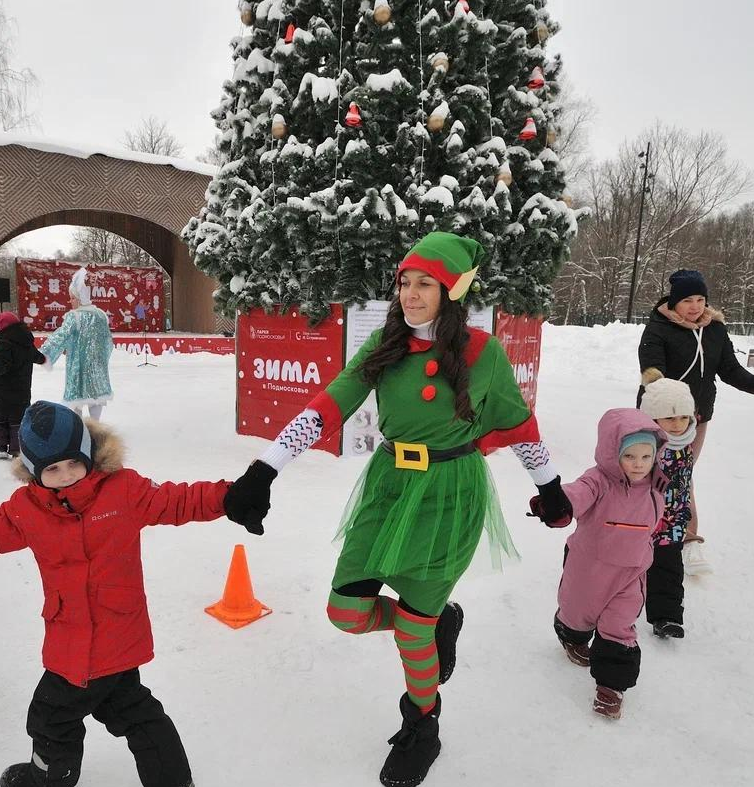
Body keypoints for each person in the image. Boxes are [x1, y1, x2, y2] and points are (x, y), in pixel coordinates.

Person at [223, 232, 572, 786]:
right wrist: (264, 470)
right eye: (404, 283)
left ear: (451, 290)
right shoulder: (387, 347)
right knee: (347, 612)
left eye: (424, 284)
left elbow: (519, 424)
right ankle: (438, 625)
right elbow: (329, 403)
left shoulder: (483, 353)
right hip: (388, 487)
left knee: (413, 629)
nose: (410, 294)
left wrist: (550, 488)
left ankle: (422, 725)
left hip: (449, 493)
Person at [0, 400, 235, 787]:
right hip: (85, 635)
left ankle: (50, 777)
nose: (66, 475)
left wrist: (230, 497)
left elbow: (180, 500)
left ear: (89, 453)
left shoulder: (123, 491)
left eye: (74, 462)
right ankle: (172, 779)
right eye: (52, 469)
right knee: (132, 710)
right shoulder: (28, 509)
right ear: (35, 472)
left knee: (51, 717)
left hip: (95, 641)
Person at [637, 269, 754, 573]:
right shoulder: (658, 329)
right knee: (647, 474)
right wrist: (664, 405)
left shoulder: (715, 331)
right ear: (673, 302)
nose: (695, 306)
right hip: (658, 420)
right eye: (687, 300)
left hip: (696, 419)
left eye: (700, 299)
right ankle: (641, 531)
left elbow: (733, 372)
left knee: (682, 475)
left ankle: (688, 538)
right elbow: (652, 374)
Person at [537, 408, 665, 720]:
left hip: (630, 574)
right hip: (589, 568)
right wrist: (556, 502)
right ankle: (571, 634)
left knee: (619, 629)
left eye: (646, 457)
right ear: (612, 454)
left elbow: (656, 521)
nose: (639, 464)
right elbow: (577, 494)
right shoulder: (599, 480)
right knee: (578, 615)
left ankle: (611, 688)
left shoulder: (656, 486)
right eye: (630, 456)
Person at [638, 377, 698, 640]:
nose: (678, 424)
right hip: (640, 521)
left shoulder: (686, 445)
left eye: (683, 417)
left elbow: (685, 483)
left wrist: (685, 514)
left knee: (669, 568)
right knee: (628, 566)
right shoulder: (644, 446)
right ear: (652, 419)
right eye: (669, 418)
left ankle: (667, 616)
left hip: (672, 524)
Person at [41, 267, 113, 419]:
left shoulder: (74, 317)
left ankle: (79, 428)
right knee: (96, 397)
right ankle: (95, 427)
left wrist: (45, 353)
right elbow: (108, 342)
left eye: (73, 298)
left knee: (76, 398)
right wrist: (102, 359)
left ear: (81, 298)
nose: (70, 301)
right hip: (97, 367)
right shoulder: (101, 315)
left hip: (78, 367)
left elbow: (60, 336)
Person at [0, 311, 46, 459]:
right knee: (17, 419)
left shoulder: (4, 343)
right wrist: (44, 360)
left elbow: (1, 365)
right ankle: (16, 448)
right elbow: (37, 357)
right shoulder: (26, 341)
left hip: (2, 387)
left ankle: (1, 447)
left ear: (3, 326)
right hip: (21, 388)